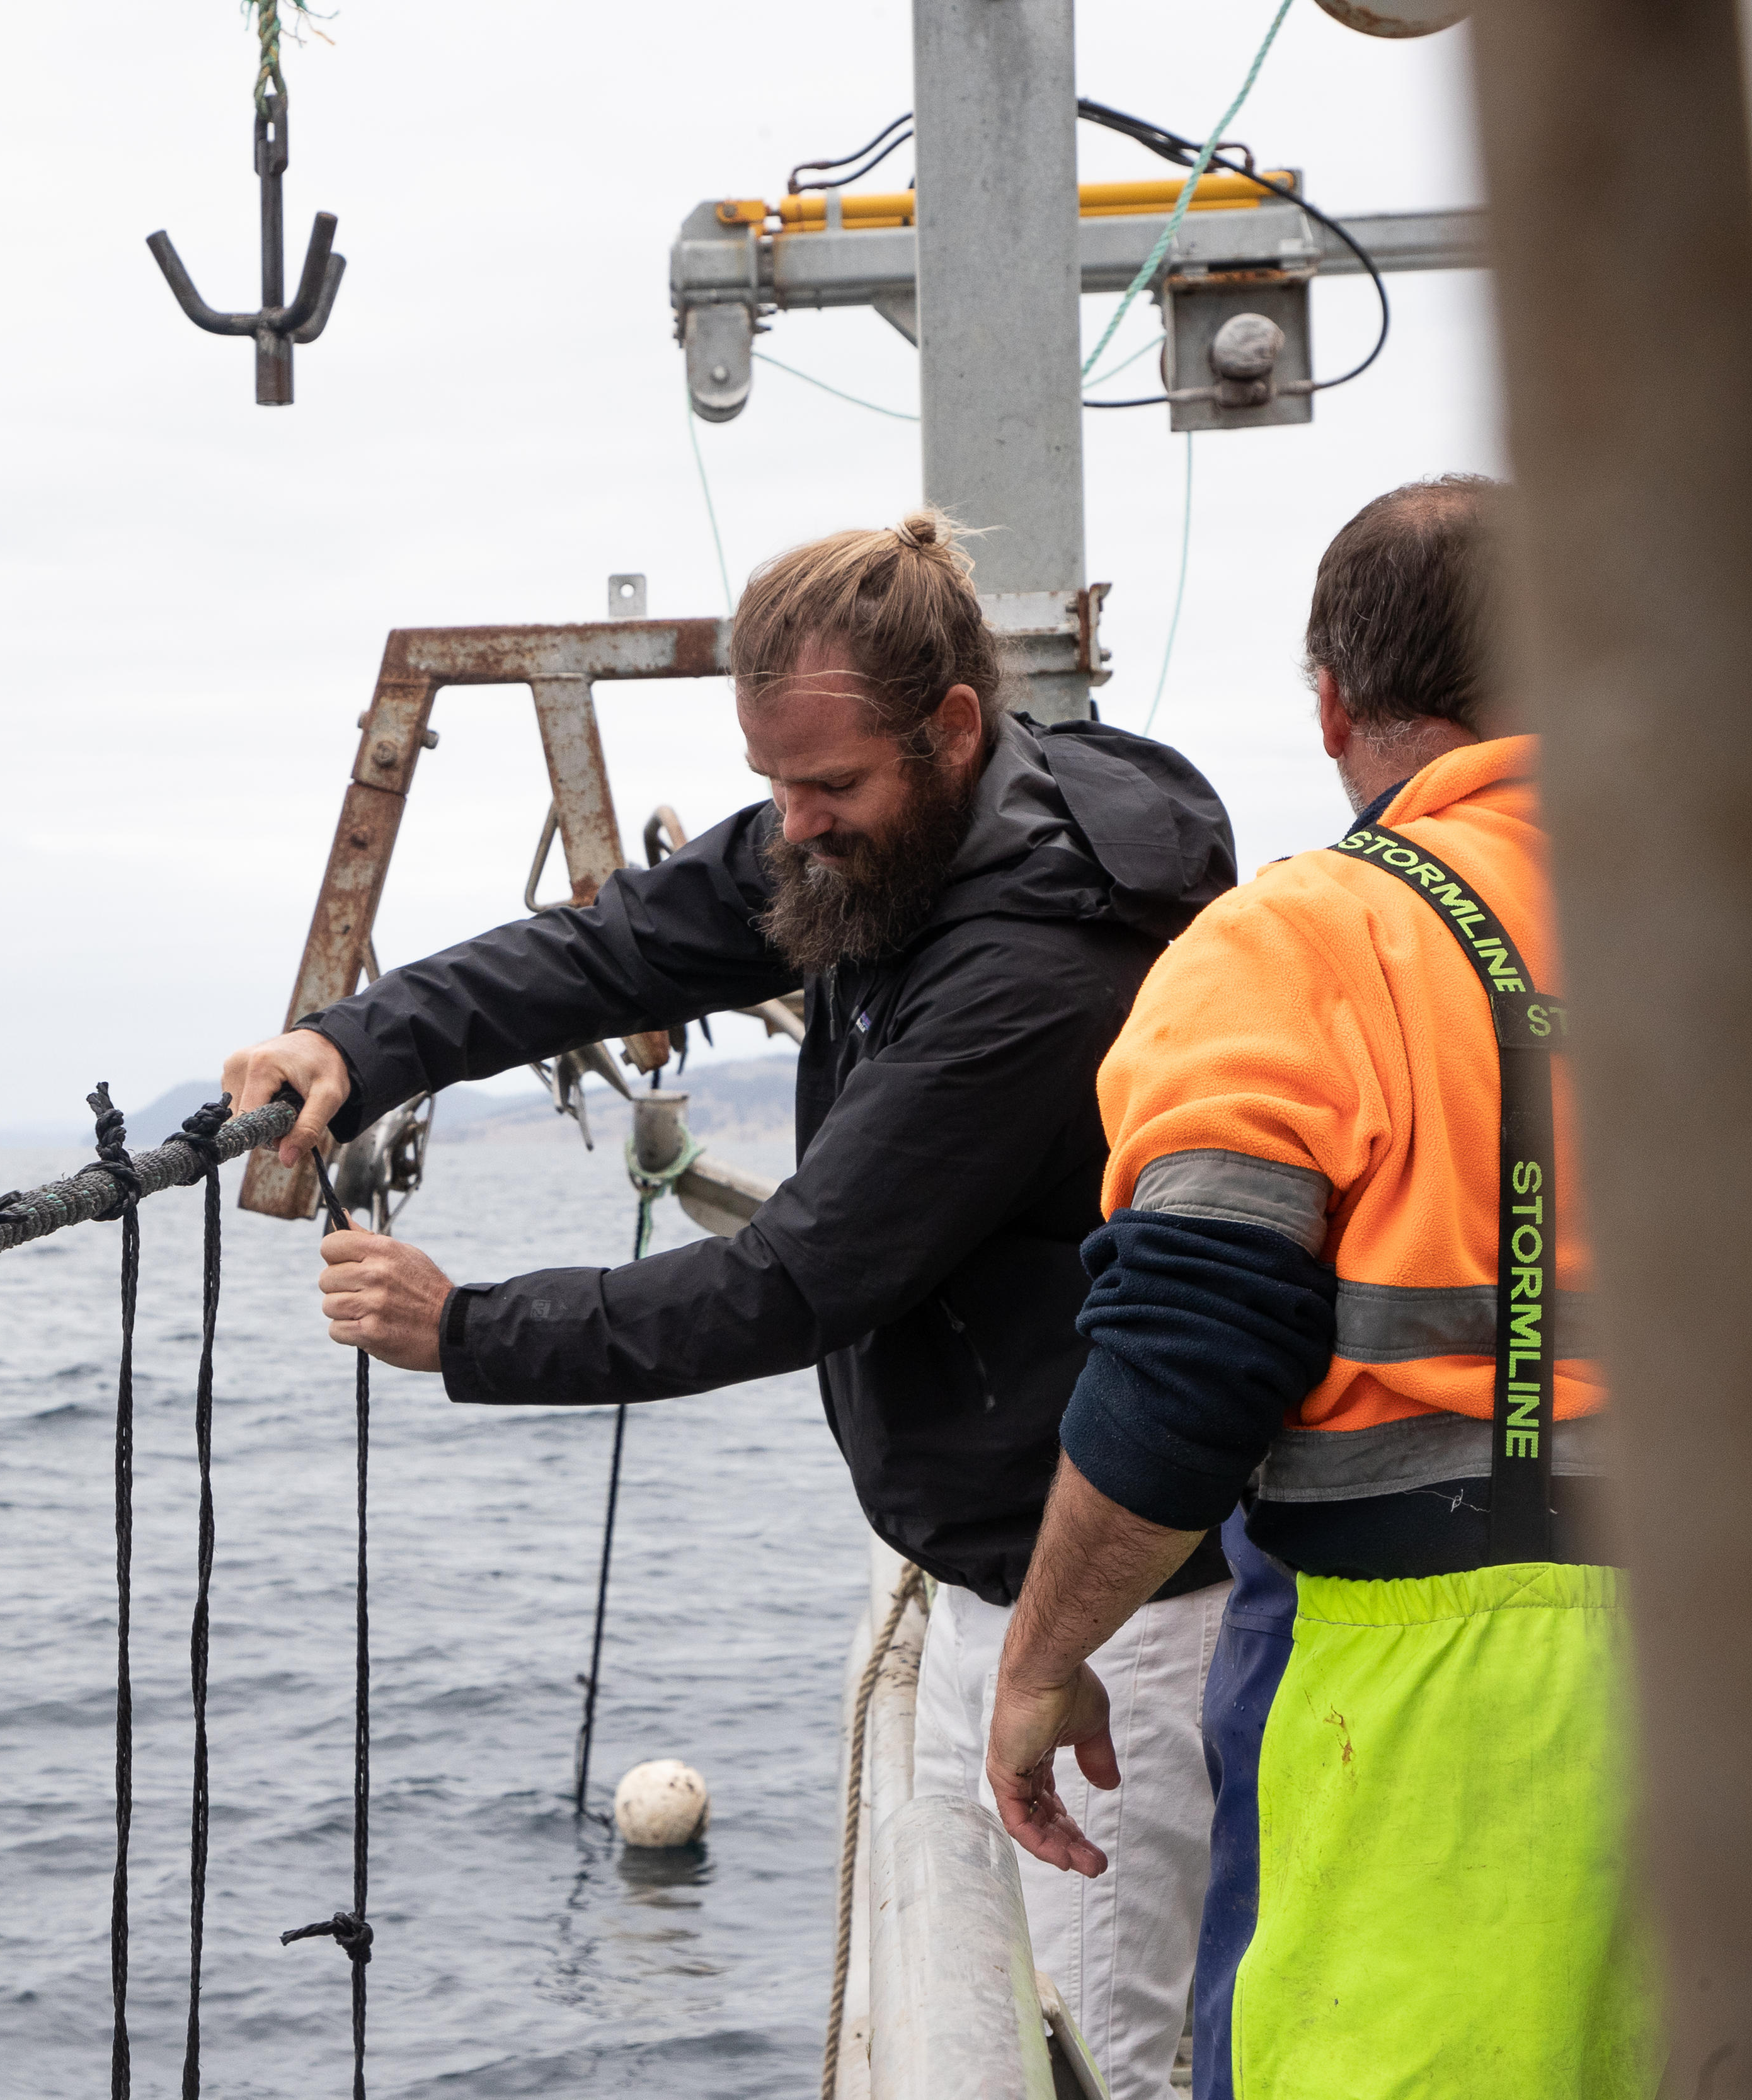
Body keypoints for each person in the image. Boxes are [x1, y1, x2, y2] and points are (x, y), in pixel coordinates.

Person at [220, 513, 1237, 2096]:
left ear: (955, 728)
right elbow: (618, 943)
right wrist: (362, 1042)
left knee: (1110, 2059)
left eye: (828, 789)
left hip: (1126, 1621)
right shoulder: (885, 845)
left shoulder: (1035, 968)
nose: (794, 827)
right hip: (1001, 1570)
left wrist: (470, 1329)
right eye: (773, 786)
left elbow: (799, 1278)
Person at [981, 478, 1752, 2099]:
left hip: (1428, 1722)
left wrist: (1041, 1658)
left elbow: (1187, 1361)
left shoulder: (1296, 938)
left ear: (1337, 704)